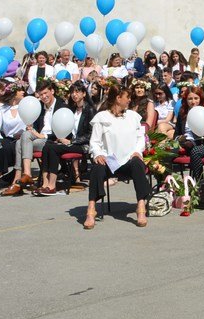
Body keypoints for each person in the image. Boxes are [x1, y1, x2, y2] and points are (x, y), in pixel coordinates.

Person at [83, 85, 149, 229]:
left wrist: (138, 151)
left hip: (128, 161)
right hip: (110, 162)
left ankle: (141, 206)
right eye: (127, 97)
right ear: (118, 98)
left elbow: (140, 138)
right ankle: (91, 208)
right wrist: (98, 153)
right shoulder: (102, 117)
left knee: (137, 163)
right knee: (97, 167)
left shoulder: (133, 116)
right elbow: (94, 141)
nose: (130, 100)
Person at [35, 83, 95, 196]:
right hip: (69, 142)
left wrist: (72, 141)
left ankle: (52, 185)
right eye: (72, 92)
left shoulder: (90, 110)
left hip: (83, 145)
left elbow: (91, 134)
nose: (74, 94)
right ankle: (45, 183)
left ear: (83, 93)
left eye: (77, 92)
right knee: (47, 146)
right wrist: (61, 138)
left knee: (52, 149)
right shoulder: (70, 109)